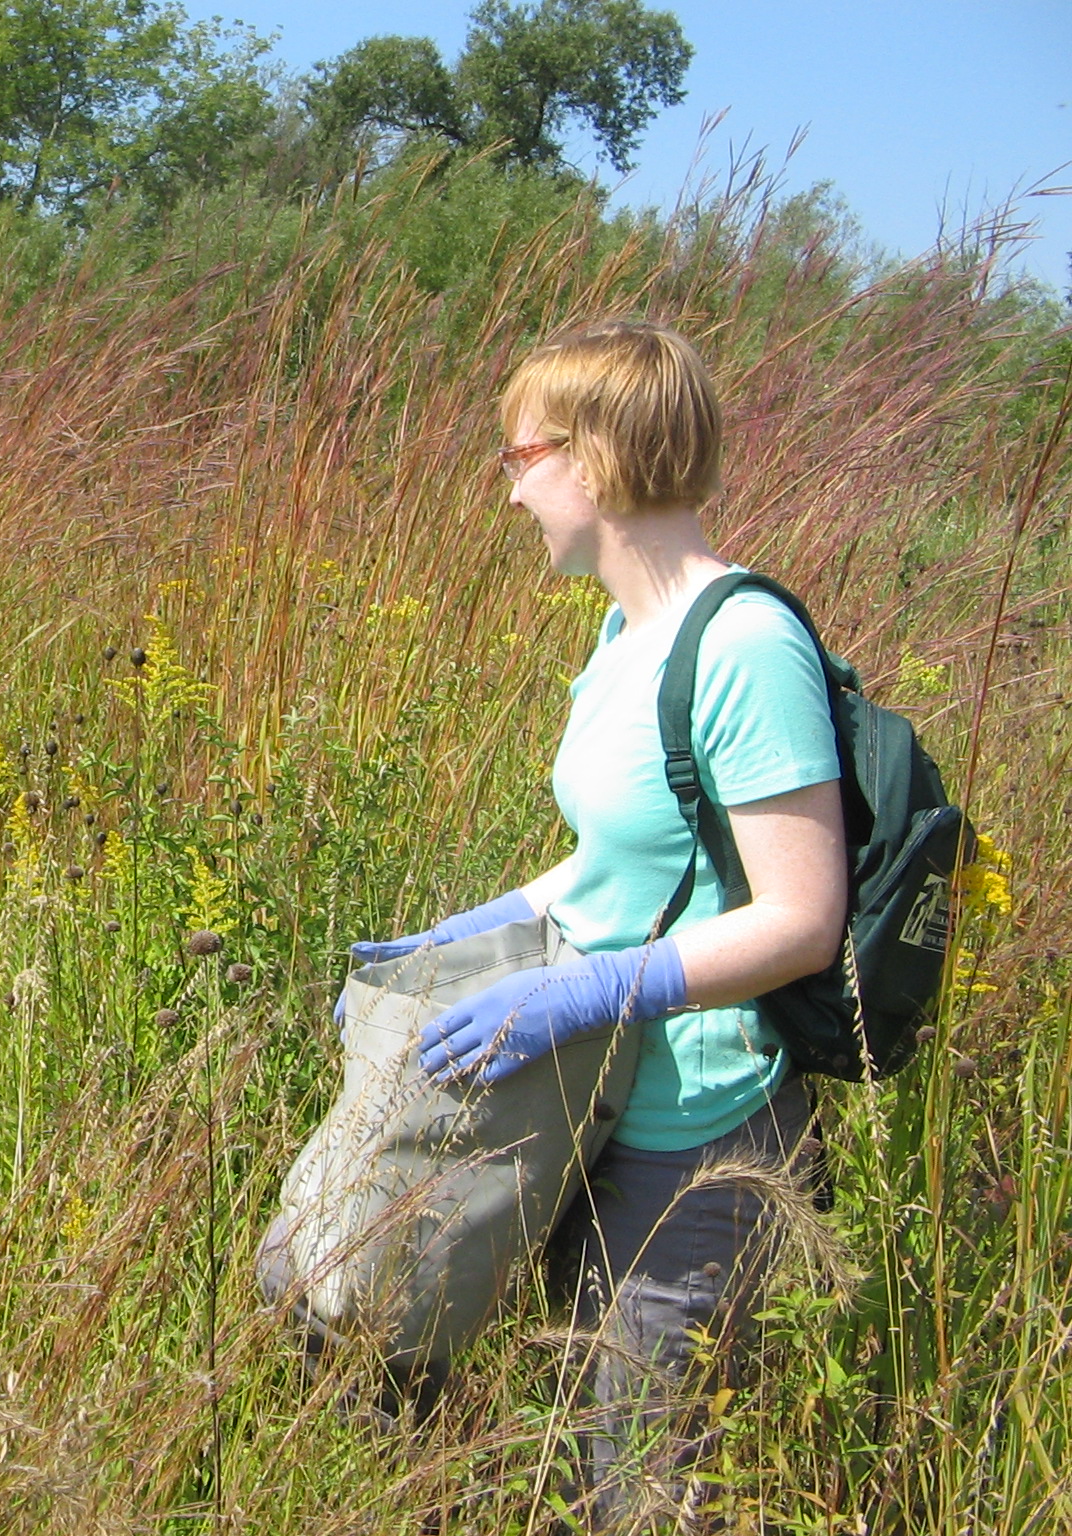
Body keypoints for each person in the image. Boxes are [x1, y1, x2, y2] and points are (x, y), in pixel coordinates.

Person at [356, 319, 845, 1527]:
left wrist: (584, 991)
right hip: (589, 1106)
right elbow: (611, 860)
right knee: (573, 1451)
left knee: (641, 1481)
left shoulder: (742, 645)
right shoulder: (624, 636)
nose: (509, 489)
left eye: (518, 456)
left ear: (594, 457)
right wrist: (439, 947)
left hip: (701, 1136)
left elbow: (800, 919)